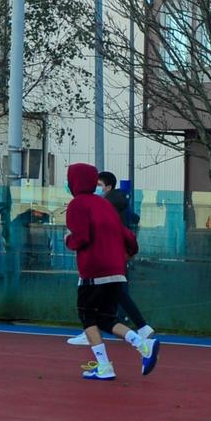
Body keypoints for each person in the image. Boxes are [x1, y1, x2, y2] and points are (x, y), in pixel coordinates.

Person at [63, 162, 157, 380]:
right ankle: (141, 344)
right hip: (116, 270)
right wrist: (126, 254)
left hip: (93, 270)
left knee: (87, 317)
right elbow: (129, 239)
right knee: (105, 318)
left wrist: (68, 240)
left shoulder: (77, 204)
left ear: (74, 182)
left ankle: (106, 365)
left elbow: (82, 237)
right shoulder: (104, 204)